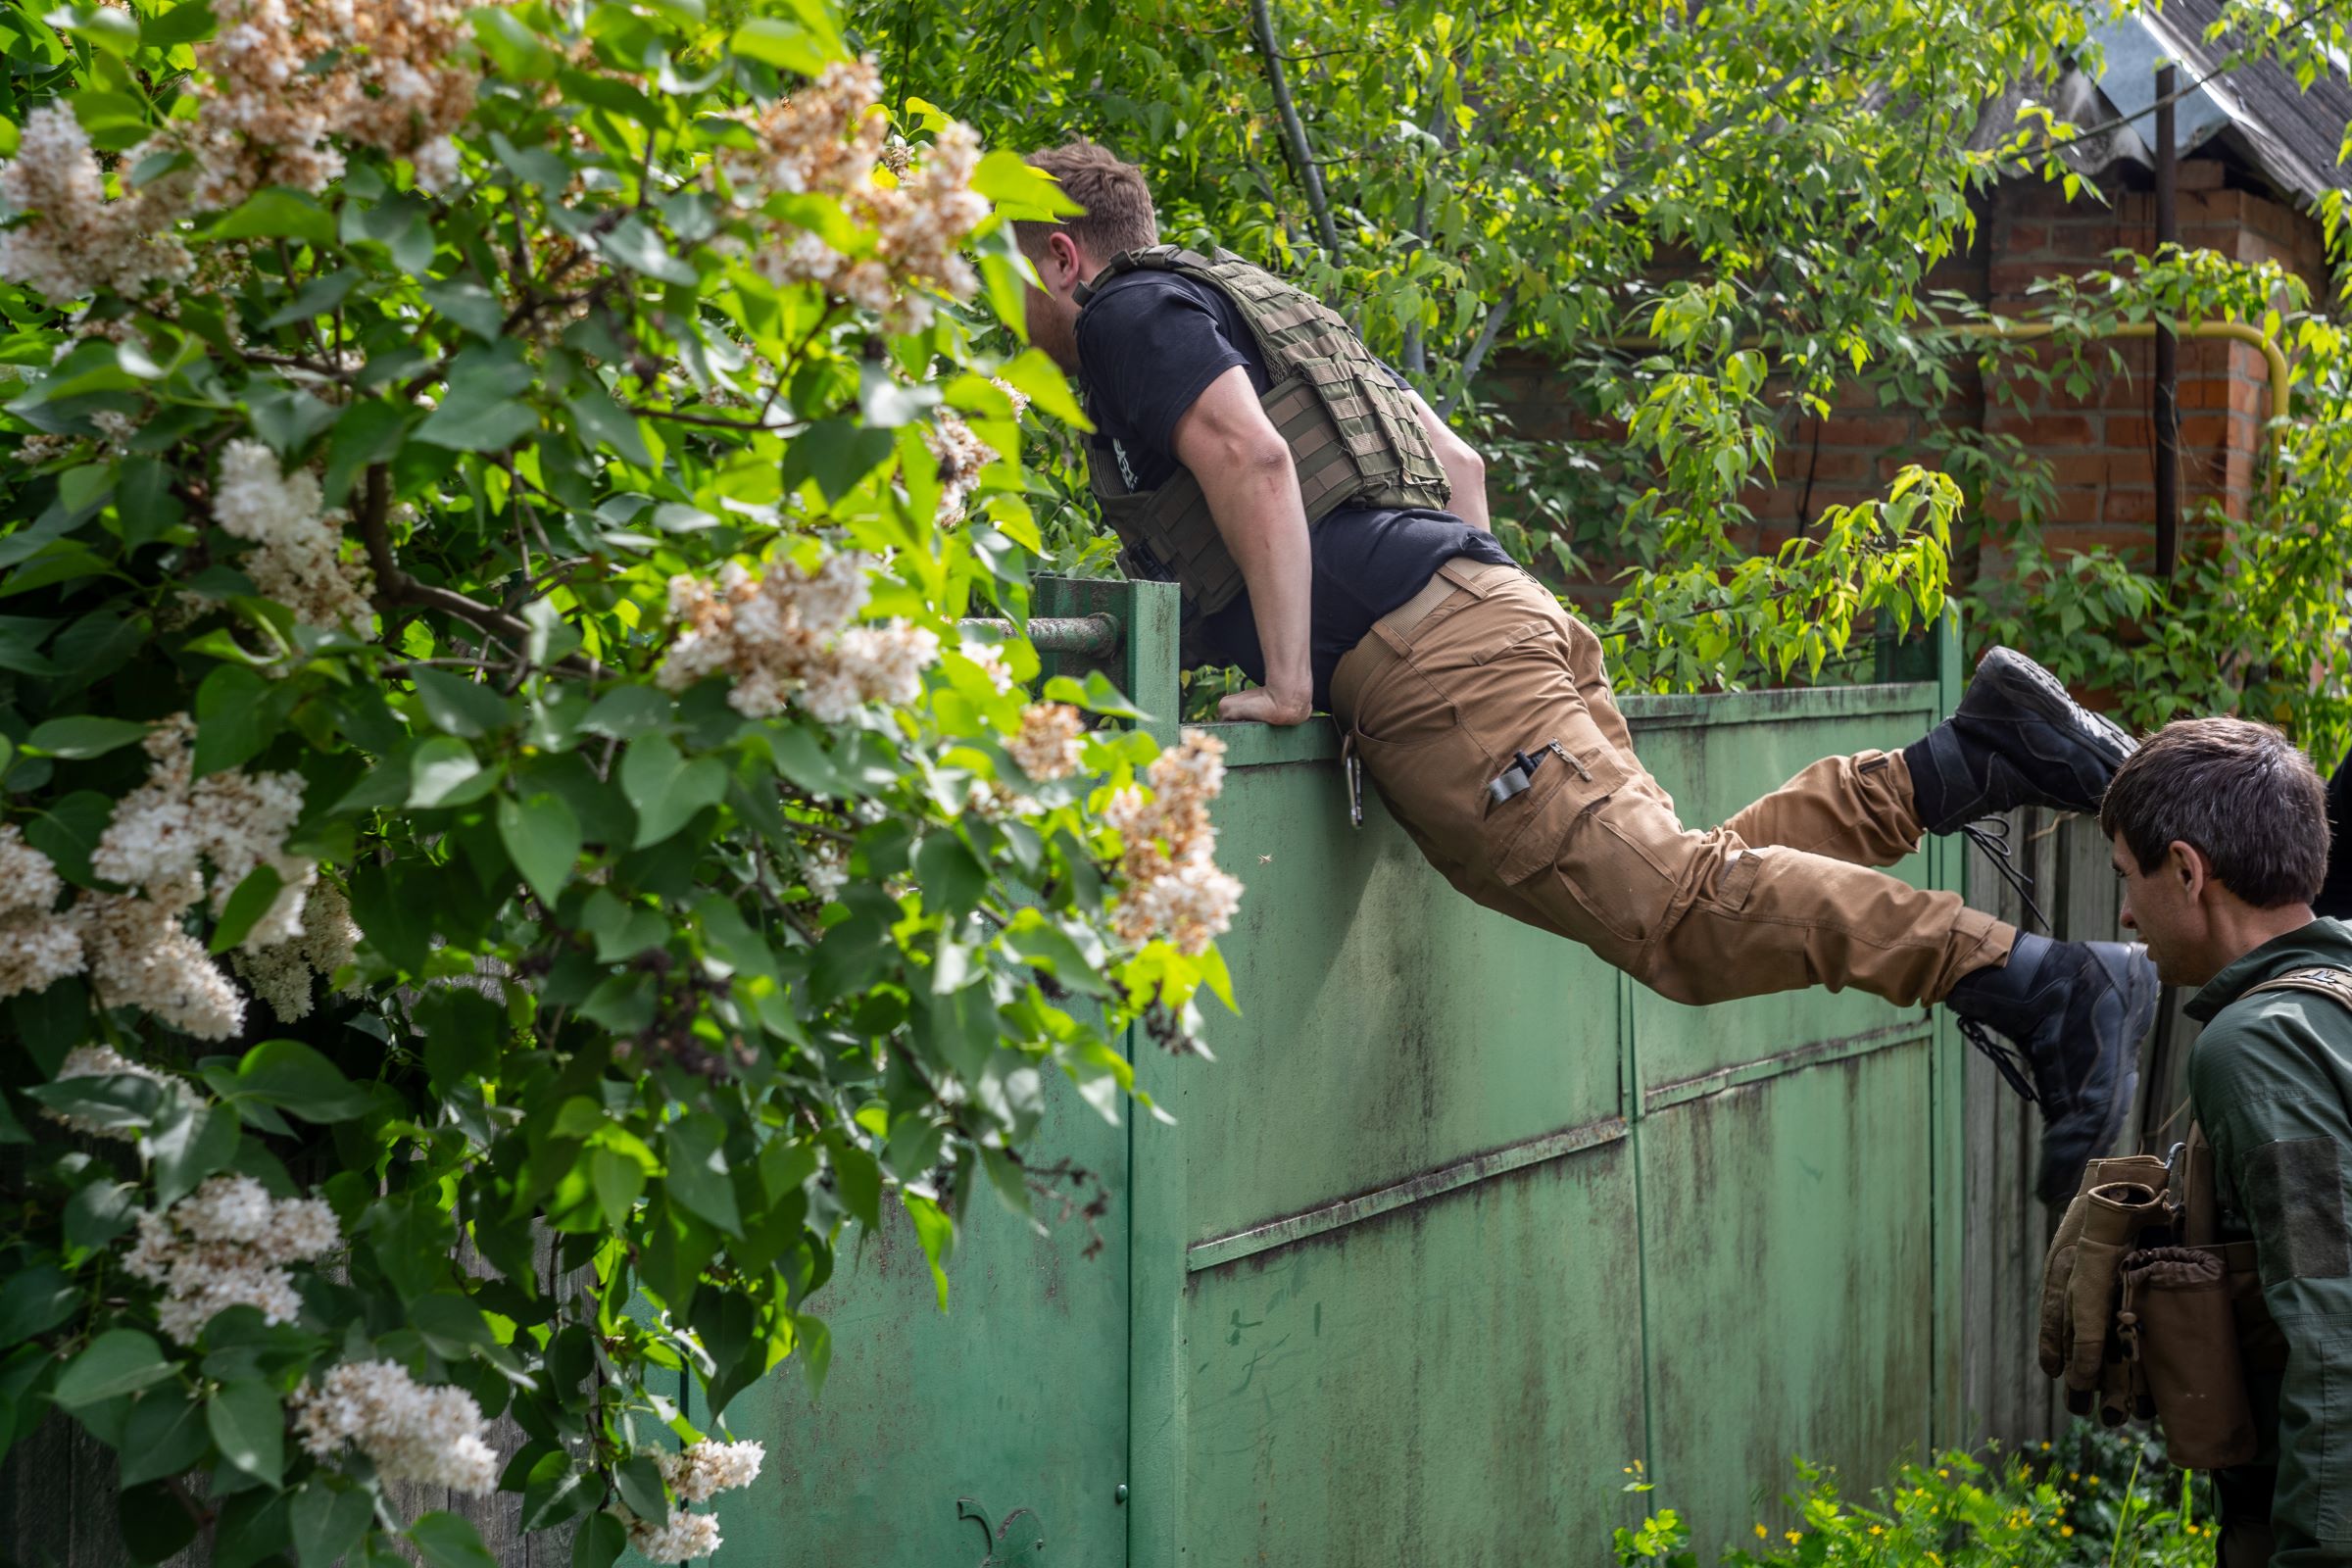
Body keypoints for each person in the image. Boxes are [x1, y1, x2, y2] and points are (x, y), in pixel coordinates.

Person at [1018, 139, 2155, 1200]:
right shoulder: (1247, 298)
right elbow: (1457, 463)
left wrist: (1290, 682)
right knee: (1695, 875)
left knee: (1679, 919)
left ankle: (2039, 982)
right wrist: (1476, 612)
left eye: (1005, 276)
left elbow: (1253, 458)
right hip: (1492, 608)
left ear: (1064, 255)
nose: (1003, 317)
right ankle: (1964, 762)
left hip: (1439, 660)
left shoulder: (1124, 314)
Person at [2104, 718, 2352, 1568]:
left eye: (2129, 877)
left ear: (2187, 868)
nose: (2127, 912)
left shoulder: (2261, 1046)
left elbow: (2335, 1325)